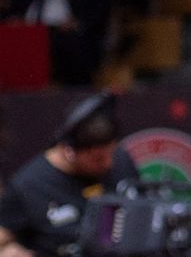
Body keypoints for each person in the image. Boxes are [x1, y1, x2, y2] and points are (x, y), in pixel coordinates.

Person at [0, 92, 139, 257]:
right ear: (69, 152)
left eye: (112, 153)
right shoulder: (27, 186)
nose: (109, 163)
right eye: (98, 159)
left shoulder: (120, 160)